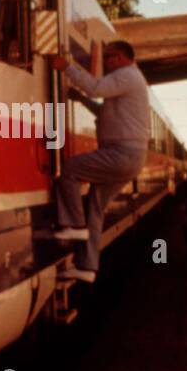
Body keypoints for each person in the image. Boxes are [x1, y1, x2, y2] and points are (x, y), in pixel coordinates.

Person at [49, 41, 150, 283]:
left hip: (122, 153)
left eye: (112, 56)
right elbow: (105, 111)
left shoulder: (127, 75)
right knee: (95, 205)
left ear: (127, 57)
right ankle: (86, 266)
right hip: (130, 157)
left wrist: (67, 68)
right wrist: (81, 100)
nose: (108, 61)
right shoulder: (127, 80)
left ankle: (73, 225)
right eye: (106, 57)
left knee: (70, 169)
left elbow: (95, 88)